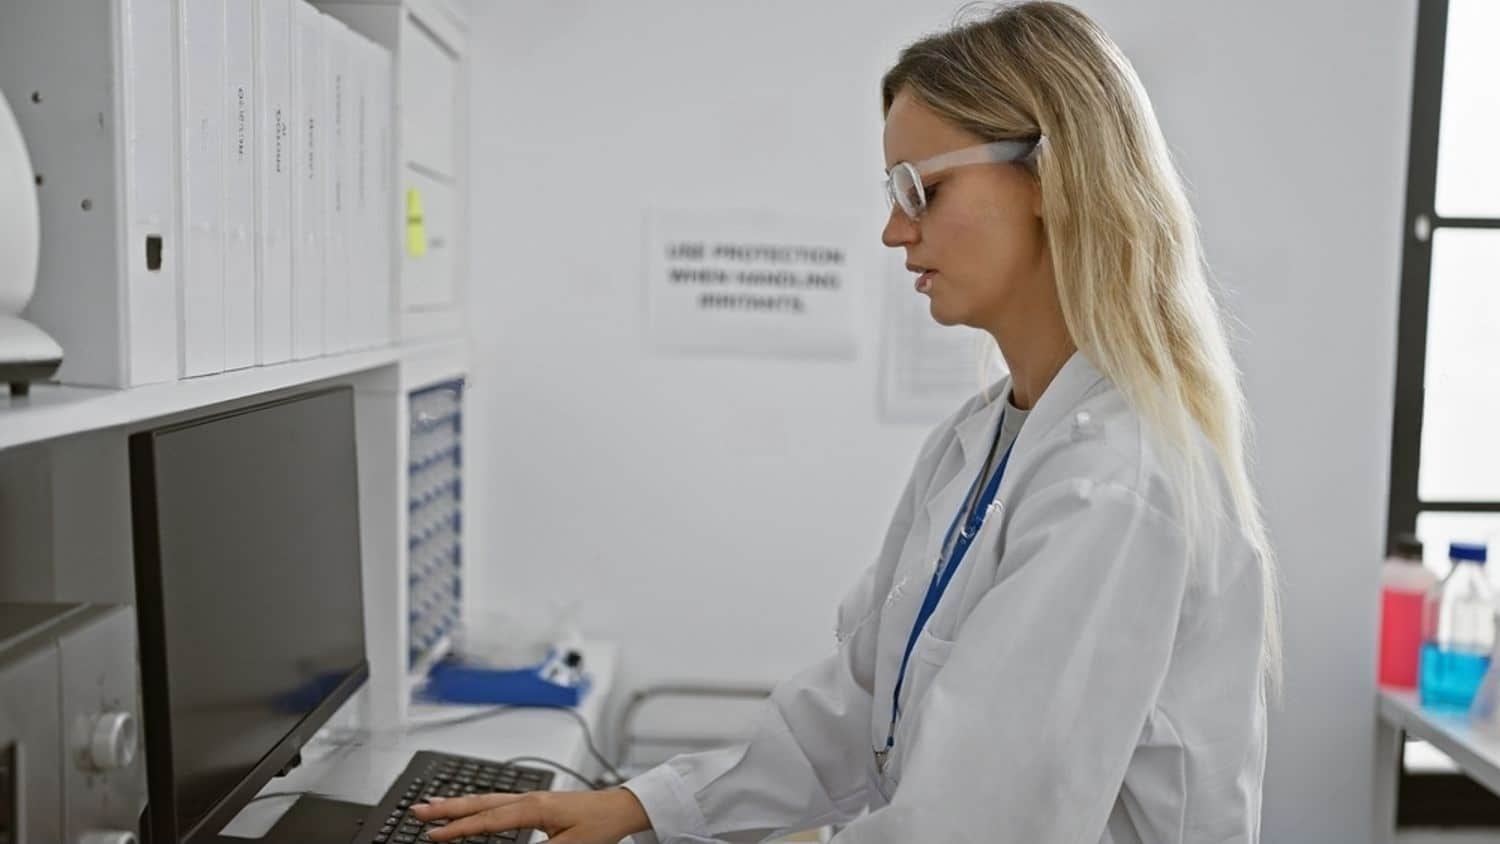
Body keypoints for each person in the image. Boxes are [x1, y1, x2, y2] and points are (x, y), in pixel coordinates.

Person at [415, 2, 1278, 841]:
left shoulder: (1115, 489)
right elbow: (863, 708)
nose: (893, 230)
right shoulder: (983, 440)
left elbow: (973, 826)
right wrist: (644, 807)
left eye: (922, 189)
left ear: (1052, 179)